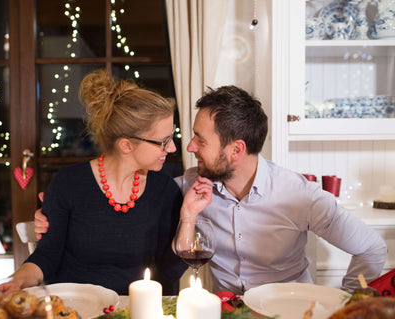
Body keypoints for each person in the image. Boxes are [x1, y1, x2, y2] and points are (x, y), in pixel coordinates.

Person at [35, 85, 388, 295]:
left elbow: (371, 247)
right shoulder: (188, 186)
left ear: (235, 149)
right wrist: (56, 216)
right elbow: (129, 203)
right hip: (224, 310)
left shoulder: (300, 195)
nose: (187, 147)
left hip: (291, 307)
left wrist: (347, 302)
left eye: (199, 140)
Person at [0, 69, 192, 295]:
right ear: (126, 145)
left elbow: (169, 271)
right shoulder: (68, 184)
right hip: (73, 305)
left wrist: (189, 216)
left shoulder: (164, 190)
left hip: (131, 308)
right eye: (163, 141)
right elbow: (47, 256)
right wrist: (16, 280)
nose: (173, 148)